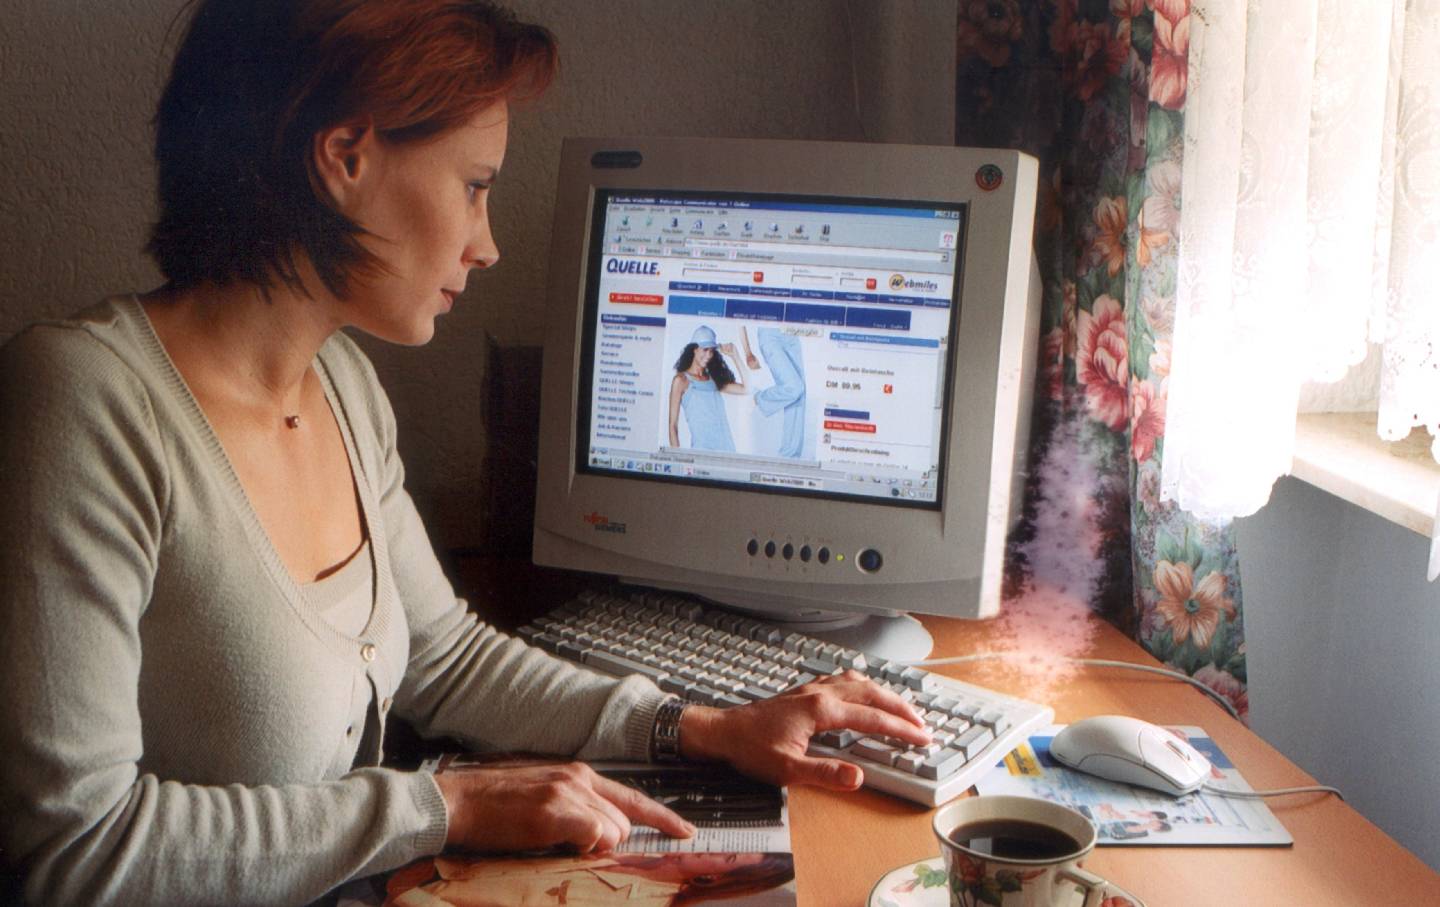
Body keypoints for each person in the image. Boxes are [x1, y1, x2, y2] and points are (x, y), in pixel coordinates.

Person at [0, 2, 931, 904]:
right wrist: (441, 806)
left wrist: (702, 727)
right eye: (475, 186)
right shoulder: (84, 402)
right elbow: (74, 852)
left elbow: (445, 658)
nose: (487, 244)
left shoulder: (343, 384)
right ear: (345, 158)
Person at [668, 326, 747, 451]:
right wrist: (677, 458)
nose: (709, 355)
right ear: (694, 349)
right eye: (705, 350)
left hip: (727, 451)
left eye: (711, 351)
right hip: (702, 452)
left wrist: (735, 356)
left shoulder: (713, 380)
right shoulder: (681, 380)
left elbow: (746, 389)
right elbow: (673, 426)